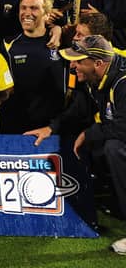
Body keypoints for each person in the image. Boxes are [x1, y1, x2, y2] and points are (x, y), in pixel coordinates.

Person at [61, 35, 126, 254]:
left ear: (97, 63)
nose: (73, 65)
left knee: (116, 149)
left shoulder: (122, 82)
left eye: (78, 61)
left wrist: (89, 134)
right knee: (111, 148)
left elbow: (123, 128)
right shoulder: (98, 79)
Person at [0, 0, 66, 134]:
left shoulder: (62, 43)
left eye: (34, 8)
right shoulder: (7, 45)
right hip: (16, 129)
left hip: (53, 130)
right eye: (23, 8)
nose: (27, 13)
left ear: (47, 15)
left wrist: (58, 29)